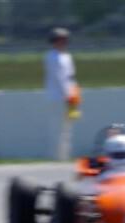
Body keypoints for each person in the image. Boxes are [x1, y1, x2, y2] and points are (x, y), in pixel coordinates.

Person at [44, 27, 80, 161]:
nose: (64, 42)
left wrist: (75, 92)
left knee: (67, 128)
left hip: (69, 96)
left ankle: (64, 155)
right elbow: (59, 78)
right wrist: (67, 94)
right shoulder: (52, 56)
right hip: (58, 97)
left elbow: (70, 76)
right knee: (57, 127)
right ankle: (56, 156)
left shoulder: (66, 56)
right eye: (60, 39)